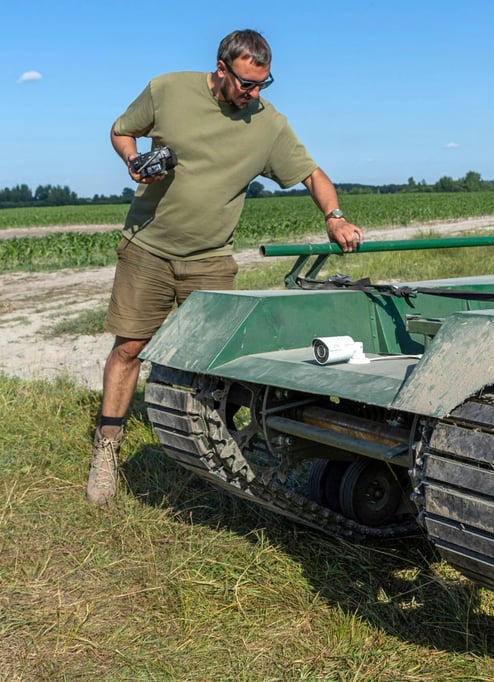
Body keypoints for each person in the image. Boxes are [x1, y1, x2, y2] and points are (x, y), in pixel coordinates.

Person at [87, 29, 364, 506]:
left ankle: (209, 453)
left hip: (211, 259)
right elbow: (120, 129)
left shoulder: (267, 123)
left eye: (263, 84)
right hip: (147, 247)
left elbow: (311, 174)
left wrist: (334, 216)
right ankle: (106, 451)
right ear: (221, 70)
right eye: (246, 84)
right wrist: (133, 159)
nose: (253, 94)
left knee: (214, 362)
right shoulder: (167, 90)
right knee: (130, 346)